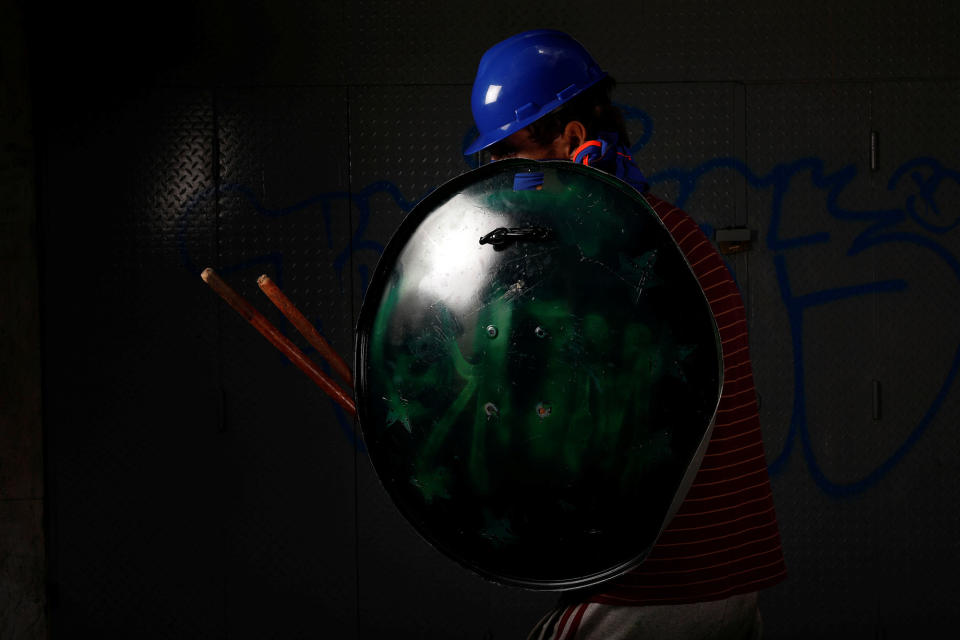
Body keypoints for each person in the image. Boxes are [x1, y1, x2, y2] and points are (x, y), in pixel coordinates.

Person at [464, 30, 787, 639]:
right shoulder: (668, 232)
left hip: (661, 589)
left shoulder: (613, 255)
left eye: (511, 153)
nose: (502, 177)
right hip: (728, 586)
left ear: (574, 140)